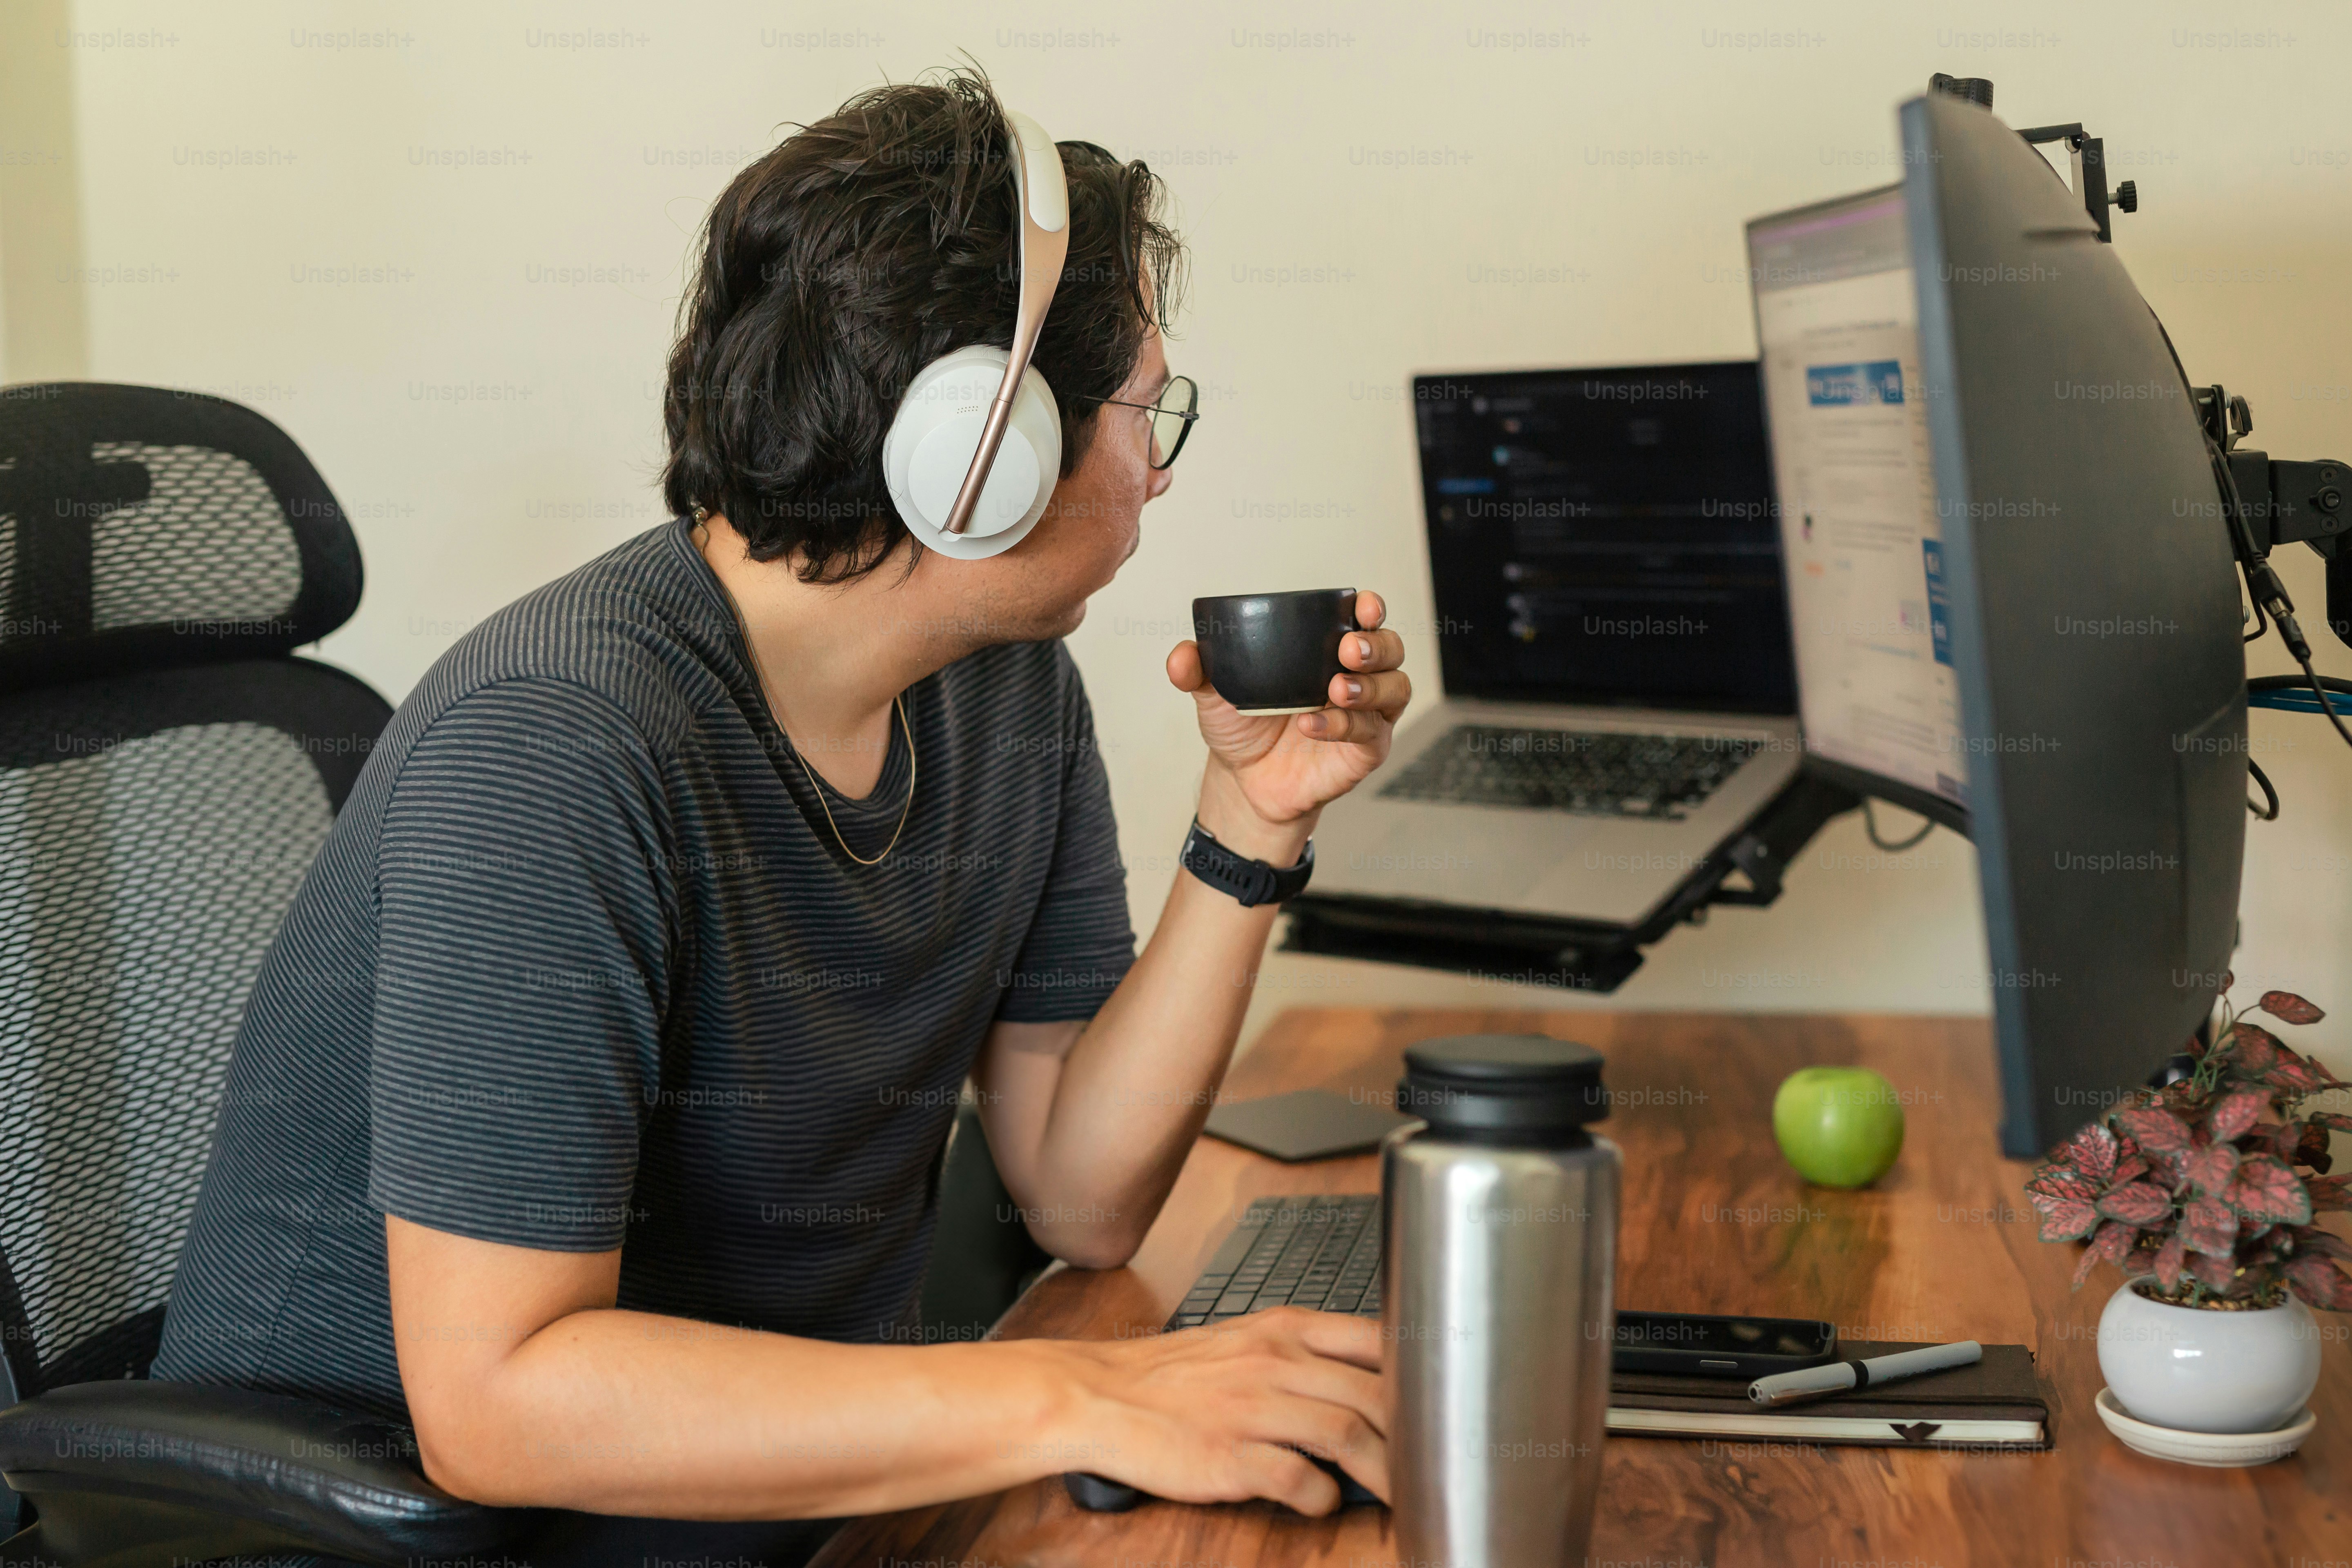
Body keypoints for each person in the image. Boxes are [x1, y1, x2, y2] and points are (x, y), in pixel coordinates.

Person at [154, 69, 1412, 1561]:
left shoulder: (1007, 692)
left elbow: (1080, 1197)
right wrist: (1074, 1394)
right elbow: (499, 1406)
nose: (1155, 463)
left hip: (787, 1517)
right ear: (979, 453)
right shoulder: (556, 746)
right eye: (1148, 409)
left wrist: (1252, 822)